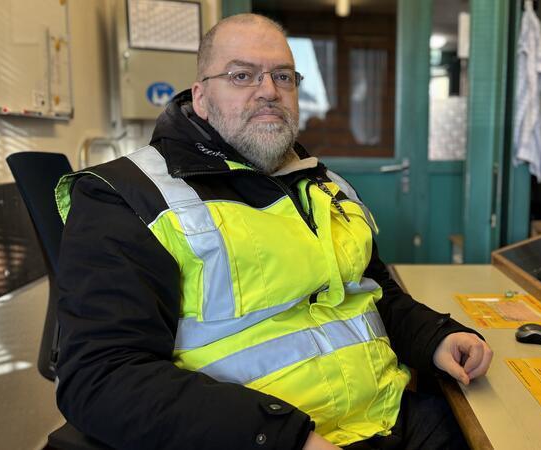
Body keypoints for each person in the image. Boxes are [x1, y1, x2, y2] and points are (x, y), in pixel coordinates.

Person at [54, 13, 492, 450]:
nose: (269, 90)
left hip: (386, 417)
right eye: (242, 75)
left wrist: (435, 337)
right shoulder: (131, 197)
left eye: (283, 76)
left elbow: (373, 291)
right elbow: (102, 376)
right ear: (202, 97)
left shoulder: (325, 184)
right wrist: (285, 438)